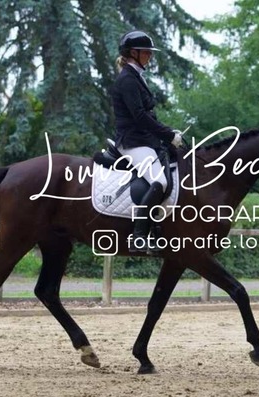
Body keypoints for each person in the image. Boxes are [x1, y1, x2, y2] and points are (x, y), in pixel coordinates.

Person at [111, 30, 182, 253]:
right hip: (132, 142)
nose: (150, 56)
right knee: (159, 182)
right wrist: (167, 135)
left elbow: (149, 116)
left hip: (144, 139)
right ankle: (138, 236)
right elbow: (140, 116)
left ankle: (158, 229)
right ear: (133, 53)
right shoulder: (127, 79)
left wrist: (168, 133)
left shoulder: (136, 76)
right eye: (146, 52)